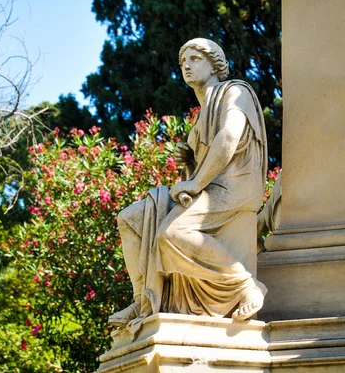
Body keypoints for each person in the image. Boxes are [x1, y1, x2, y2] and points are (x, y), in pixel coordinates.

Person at [109, 38, 268, 332]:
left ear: (215, 63)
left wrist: (195, 181)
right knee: (129, 219)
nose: (187, 66)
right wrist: (190, 162)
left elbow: (229, 137)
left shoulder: (236, 91)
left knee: (173, 233)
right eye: (183, 63)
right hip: (210, 190)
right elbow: (196, 170)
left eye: (195, 59)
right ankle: (142, 297)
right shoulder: (201, 117)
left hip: (235, 187)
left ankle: (245, 284)